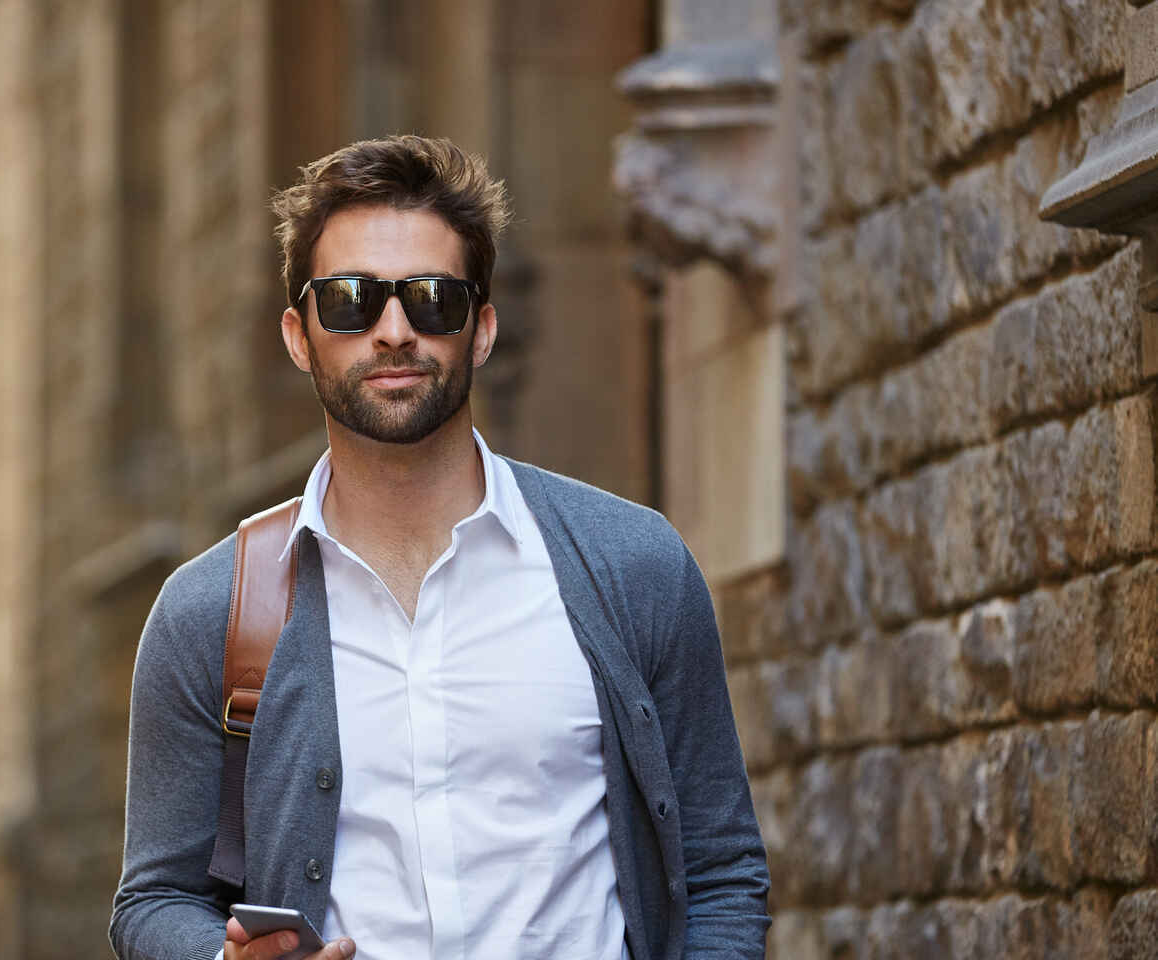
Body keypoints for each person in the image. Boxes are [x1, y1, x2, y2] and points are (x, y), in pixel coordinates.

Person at [109, 135, 769, 960]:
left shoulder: (634, 567)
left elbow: (721, 873)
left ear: (482, 329)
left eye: (432, 298)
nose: (393, 331)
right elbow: (154, 899)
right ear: (297, 334)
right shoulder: (213, 612)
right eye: (351, 300)